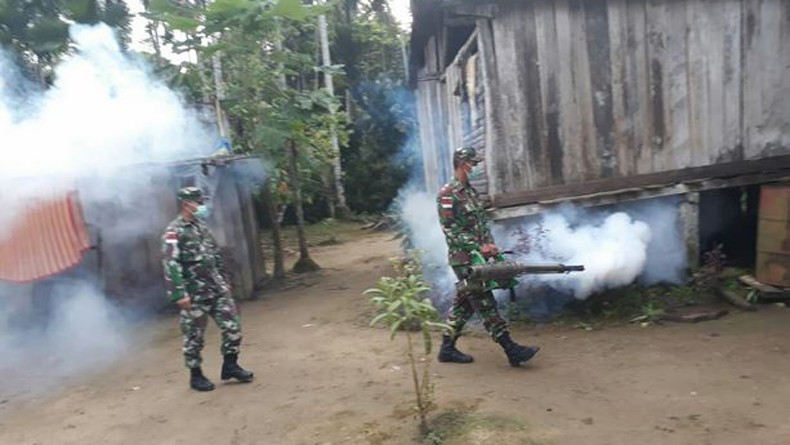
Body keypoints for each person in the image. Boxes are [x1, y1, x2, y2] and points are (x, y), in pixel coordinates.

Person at [436, 147, 540, 367]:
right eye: (473, 164)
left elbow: (481, 224)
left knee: (464, 303)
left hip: (479, 258)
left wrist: (490, 246)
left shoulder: (471, 192)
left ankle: (446, 348)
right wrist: (478, 246)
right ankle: (511, 349)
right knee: (484, 301)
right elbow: (450, 230)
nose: (476, 167)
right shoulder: (448, 194)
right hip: (464, 259)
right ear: (463, 164)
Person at [161, 186, 254, 391]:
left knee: (233, 327)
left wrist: (225, 281)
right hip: (193, 294)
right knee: (194, 336)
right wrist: (179, 293)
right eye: (199, 202)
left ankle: (230, 365)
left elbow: (214, 255)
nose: (202, 206)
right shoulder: (173, 232)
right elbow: (171, 263)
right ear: (187, 204)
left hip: (216, 289)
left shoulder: (201, 227)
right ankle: (196, 375)